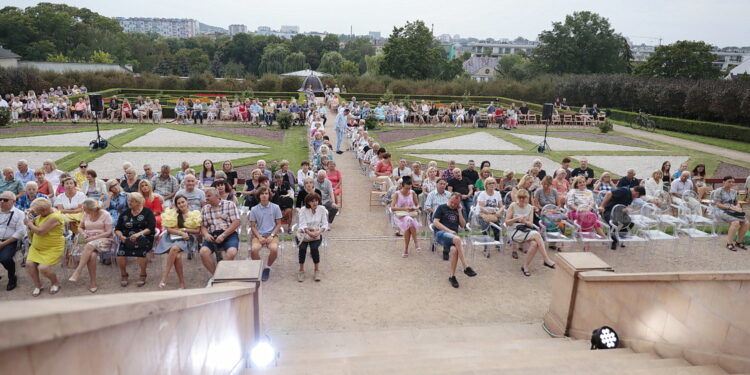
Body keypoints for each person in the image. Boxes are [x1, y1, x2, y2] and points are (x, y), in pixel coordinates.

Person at [505, 189, 555, 276]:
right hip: (513, 230)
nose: (521, 199)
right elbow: (507, 222)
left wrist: (524, 221)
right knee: (537, 234)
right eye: (520, 197)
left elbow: (531, 225)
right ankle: (546, 260)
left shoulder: (530, 207)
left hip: (525, 229)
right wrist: (516, 219)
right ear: (517, 197)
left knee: (534, 244)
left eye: (523, 198)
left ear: (527, 198)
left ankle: (525, 266)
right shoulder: (513, 205)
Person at [156, 195, 202, 289]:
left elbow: (197, 231)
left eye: (183, 202)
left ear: (187, 201)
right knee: (177, 256)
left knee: (174, 249)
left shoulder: (194, 214)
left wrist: (185, 230)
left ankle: (164, 277)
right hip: (172, 237)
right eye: (179, 203)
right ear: (176, 205)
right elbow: (169, 229)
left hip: (187, 239)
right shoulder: (174, 214)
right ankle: (182, 283)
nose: (181, 204)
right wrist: (181, 233)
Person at [432, 193, 477, 288]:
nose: (453, 205)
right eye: (452, 202)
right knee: (457, 238)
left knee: (454, 250)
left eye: (456, 204)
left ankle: (452, 276)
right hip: (441, 234)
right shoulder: (441, 207)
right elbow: (435, 222)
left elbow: (462, 225)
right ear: (449, 199)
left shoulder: (458, 209)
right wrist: (448, 231)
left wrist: (460, 211)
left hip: (453, 238)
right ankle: (466, 267)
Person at [68, 199, 113, 293]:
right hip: (88, 240)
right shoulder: (86, 214)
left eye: (85, 209)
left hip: (104, 240)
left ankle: (78, 271)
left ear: (92, 208)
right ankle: (93, 283)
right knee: (92, 256)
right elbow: (80, 227)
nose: (83, 210)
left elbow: (109, 232)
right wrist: (84, 234)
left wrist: (93, 238)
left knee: (89, 245)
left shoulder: (105, 215)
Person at [24, 197, 65, 296]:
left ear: (45, 210)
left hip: (52, 248)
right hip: (37, 247)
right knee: (29, 264)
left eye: (37, 212)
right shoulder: (44, 212)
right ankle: (38, 285)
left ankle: (55, 283)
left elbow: (40, 231)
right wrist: (29, 212)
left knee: (43, 268)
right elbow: (37, 212)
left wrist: (29, 223)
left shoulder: (55, 217)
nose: (36, 213)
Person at [115, 192, 156, 287]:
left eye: (132, 201)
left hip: (144, 238)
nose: (129, 203)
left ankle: (143, 274)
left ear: (138, 202)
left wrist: (138, 234)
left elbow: (151, 228)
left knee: (141, 253)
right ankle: (124, 274)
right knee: (120, 253)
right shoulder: (125, 213)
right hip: (127, 239)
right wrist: (121, 236)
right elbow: (117, 229)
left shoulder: (147, 212)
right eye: (129, 200)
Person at [199, 188, 241, 274]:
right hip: (212, 234)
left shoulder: (229, 204)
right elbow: (203, 226)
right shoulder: (205, 209)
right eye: (205, 196)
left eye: (209, 196)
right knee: (203, 252)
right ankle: (215, 275)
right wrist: (206, 234)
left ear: (217, 196)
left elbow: (236, 222)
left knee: (231, 252)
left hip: (229, 233)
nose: (206, 198)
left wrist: (223, 235)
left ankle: (222, 275)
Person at [249, 187, 282, 281]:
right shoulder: (254, 209)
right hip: (258, 235)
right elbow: (252, 226)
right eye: (262, 194)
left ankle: (267, 267)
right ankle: (260, 267)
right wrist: (259, 237)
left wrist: (272, 236)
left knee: (274, 248)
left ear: (269, 195)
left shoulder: (275, 207)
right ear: (258, 196)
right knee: (254, 249)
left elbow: (279, 224)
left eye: (266, 193)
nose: (264, 195)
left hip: (272, 234)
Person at [296, 192, 328, 282]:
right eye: (312, 201)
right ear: (308, 202)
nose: (315, 203)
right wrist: (310, 233)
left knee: (314, 248)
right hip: (304, 234)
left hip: (317, 233)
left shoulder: (322, 209)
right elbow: (302, 225)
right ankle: (301, 271)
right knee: (302, 248)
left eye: (316, 201)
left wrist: (318, 232)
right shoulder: (303, 210)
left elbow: (325, 224)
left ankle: (317, 270)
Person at [711, 176, 749, 251]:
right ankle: (729, 243)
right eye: (729, 181)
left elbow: (736, 202)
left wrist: (737, 207)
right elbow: (718, 204)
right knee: (735, 222)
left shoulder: (733, 191)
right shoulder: (719, 191)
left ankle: (738, 242)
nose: (731, 183)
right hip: (720, 210)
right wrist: (730, 208)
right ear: (723, 182)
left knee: (746, 223)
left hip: (732, 210)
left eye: (732, 182)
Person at [0, 192, 25, 291]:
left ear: (13, 202)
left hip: (10, 240)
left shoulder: (19, 214)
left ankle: (12, 277)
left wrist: (3, 244)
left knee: (5, 259)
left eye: (5, 200)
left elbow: (20, 232)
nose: (2, 201)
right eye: (0, 199)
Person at [391, 176, 421, 257]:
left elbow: (418, 205)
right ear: (402, 186)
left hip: (411, 215)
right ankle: (416, 242)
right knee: (409, 220)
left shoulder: (412, 193)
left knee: (409, 222)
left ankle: (406, 249)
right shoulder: (397, 194)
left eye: (409, 188)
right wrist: (405, 208)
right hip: (400, 216)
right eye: (407, 188)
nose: (408, 190)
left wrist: (415, 208)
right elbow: (392, 207)